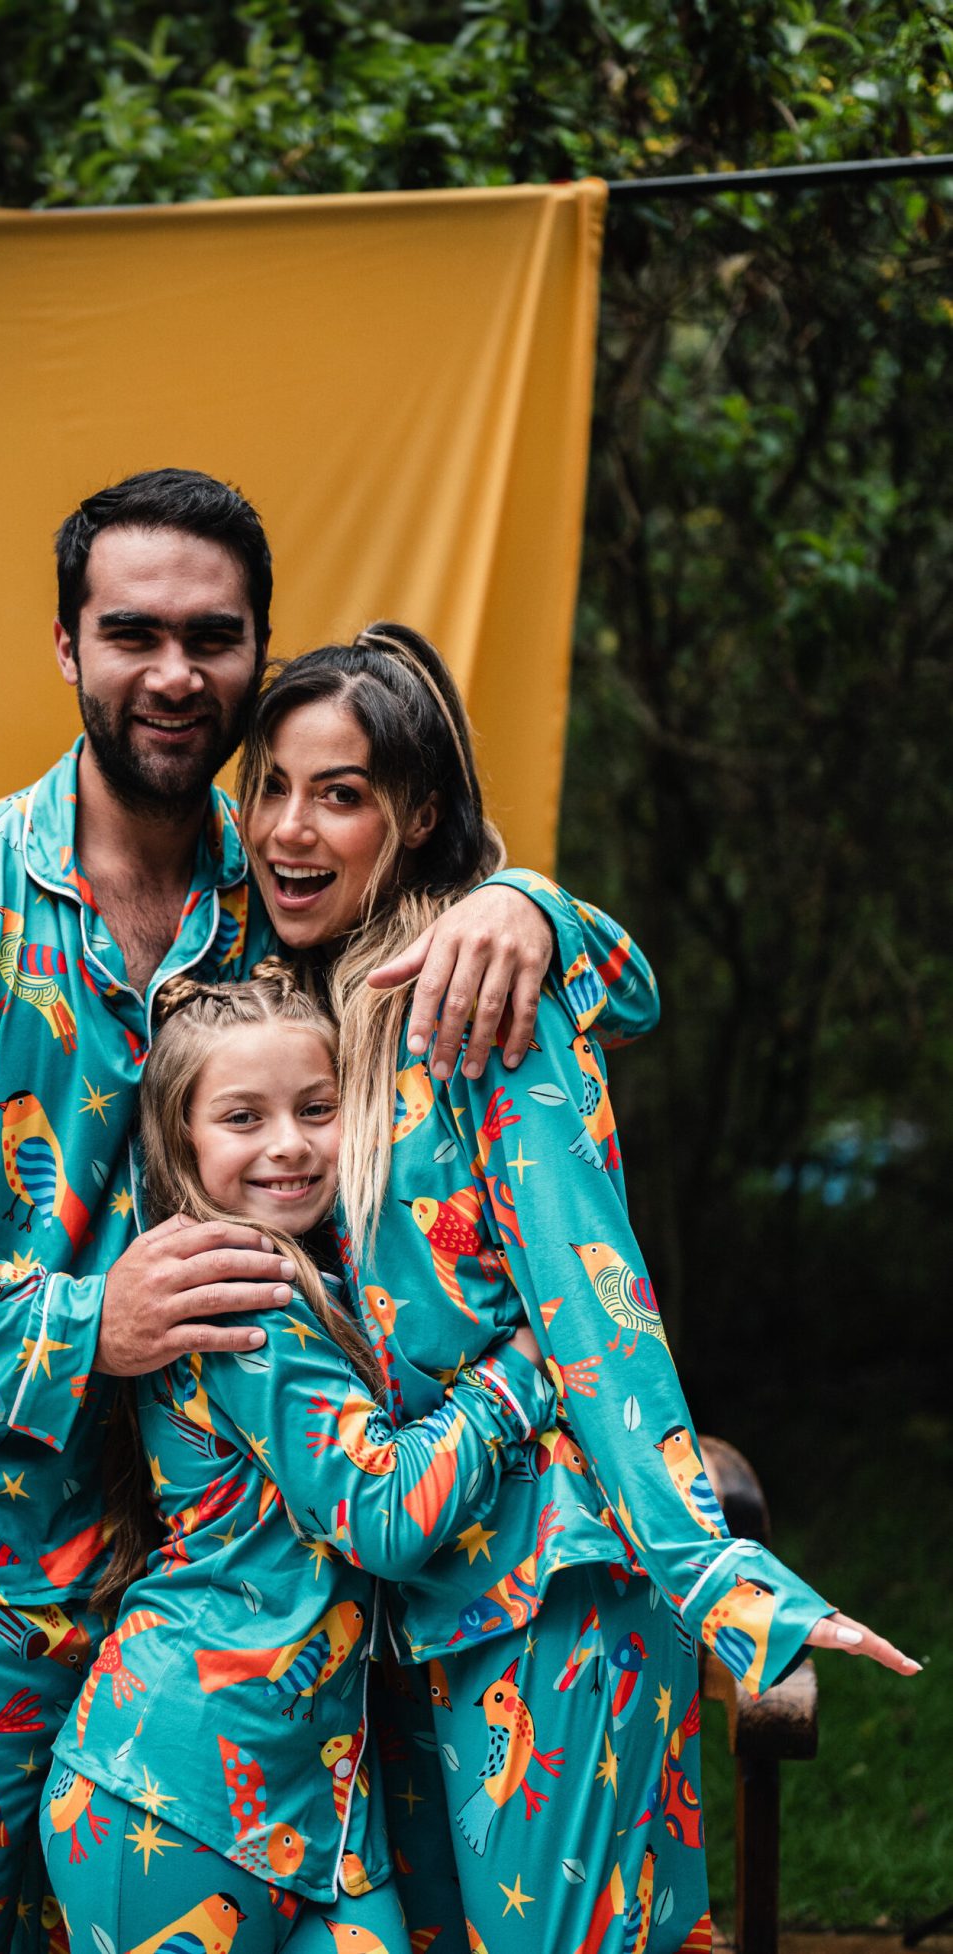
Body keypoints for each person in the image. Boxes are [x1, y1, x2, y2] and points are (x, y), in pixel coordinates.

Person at [0, 473, 581, 1954]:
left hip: (227, 1614)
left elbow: (518, 964)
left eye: (215, 635)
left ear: (260, 651)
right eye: (133, 632)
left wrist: (541, 910)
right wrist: (81, 1323)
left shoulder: (292, 900)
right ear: (67, 648)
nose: (177, 674)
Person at [239, 623, 920, 1953]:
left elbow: (595, 1306)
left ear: (420, 814)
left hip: (549, 1587)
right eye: (270, 783)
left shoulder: (484, 1001)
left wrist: (717, 1567)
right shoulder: (288, 1000)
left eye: (342, 790)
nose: (290, 825)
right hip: (396, 1610)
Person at [40, 964, 555, 1949]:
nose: (289, 1143)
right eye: (242, 1116)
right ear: (181, 1140)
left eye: (315, 1107)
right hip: (170, 1794)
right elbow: (385, 1514)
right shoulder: (242, 1295)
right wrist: (521, 1368)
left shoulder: (327, 1276)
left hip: (320, 1800)